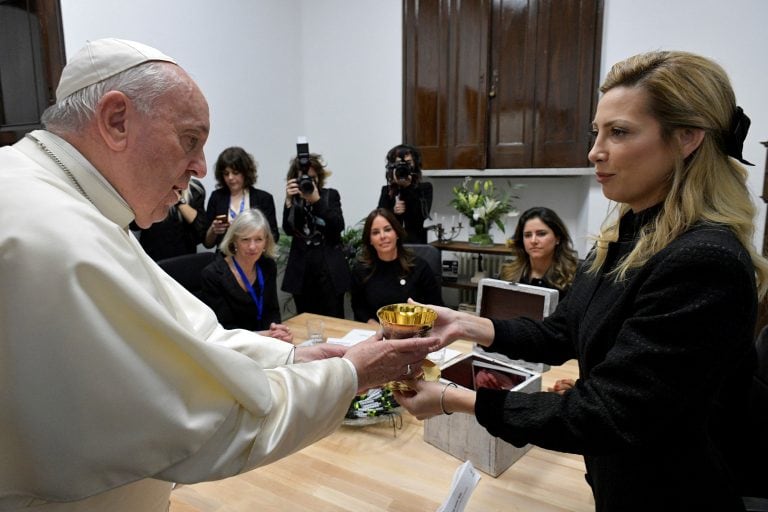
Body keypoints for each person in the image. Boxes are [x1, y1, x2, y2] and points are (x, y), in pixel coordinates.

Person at [0, 38, 439, 510]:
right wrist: (350, 374)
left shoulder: (80, 204)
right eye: (190, 139)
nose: (201, 168)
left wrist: (297, 360)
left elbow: (194, 337)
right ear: (116, 120)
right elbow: (205, 424)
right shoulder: (52, 232)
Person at [395, 50, 768, 511]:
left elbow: (608, 413)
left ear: (687, 138)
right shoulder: (626, 235)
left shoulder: (702, 261)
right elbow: (562, 330)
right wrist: (467, 325)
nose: (595, 151)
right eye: (597, 132)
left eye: (619, 132)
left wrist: (455, 399)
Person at [199, 209, 292, 341]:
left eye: (258, 239)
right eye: (245, 239)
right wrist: (263, 335)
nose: (252, 246)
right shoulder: (213, 275)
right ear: (234, 241)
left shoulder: (268, 266)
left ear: (266, 241)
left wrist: (276, 330)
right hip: (231, 347)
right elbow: (223, 328)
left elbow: (272, 310)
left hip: (265, 342)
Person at [282, 152, 350, 318]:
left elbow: (337, 226)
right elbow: (289, 230)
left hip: (329, 273)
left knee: (335, 321)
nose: (308, 182)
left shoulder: (330, 195)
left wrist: (316, 201)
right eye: (303, 178)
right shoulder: (294, 200)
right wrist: (290, 203)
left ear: (319, 178)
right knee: (305, 321)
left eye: (312, 178)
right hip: (302, 273)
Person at [351, 208, 444, 325]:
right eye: (375, 232)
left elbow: (436, 307)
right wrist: (375, 327)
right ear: (370, 240)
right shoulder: (361, 270)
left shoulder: (419, 267)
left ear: (397, 233)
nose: (382, 236)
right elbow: (359, 307)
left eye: (387, 229)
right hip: (377, 334)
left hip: (415, 333)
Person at [204, 146, 279, 250]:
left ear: (246, 172)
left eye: (235, 173)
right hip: (225, 258)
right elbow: (207, 244)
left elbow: (274, 237)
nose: (230, 177)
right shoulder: (217, 197)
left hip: (256, 257)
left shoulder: (264, 198)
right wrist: (213, 230)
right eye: (226, 174)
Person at [498, 206, 579, 298]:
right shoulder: (507, 273)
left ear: (557, 238)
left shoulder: (573, 277)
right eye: (527, 235)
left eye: (541, 234)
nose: (533, 241)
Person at [132, 177, 207, 261]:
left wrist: (178, 199)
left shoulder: (195, 189)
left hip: (184, 258)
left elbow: (201, 230)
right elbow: (134, 225)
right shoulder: (150, 187)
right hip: (153, 257)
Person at [377, 144, 433, 244]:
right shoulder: (387, 190)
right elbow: (379, 218)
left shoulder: (424, 188)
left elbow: (421, 217)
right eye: (399, 163)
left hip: (416, 244)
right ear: (392, 166)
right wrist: (393, 211)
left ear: (415, 165)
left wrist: (408, 188)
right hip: (391, 244)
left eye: (408, 163)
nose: (403, 167)